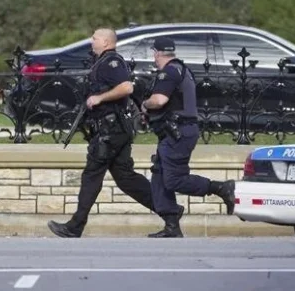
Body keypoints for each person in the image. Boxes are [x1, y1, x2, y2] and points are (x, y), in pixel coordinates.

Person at [47, 28, 175, 238]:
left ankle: (75, 226)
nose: (91, 41)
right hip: (114, 130)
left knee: (92, 175)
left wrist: (99, 98)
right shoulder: (102, 62)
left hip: (111, 132)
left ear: (106, 42)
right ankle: (171, 213)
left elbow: (126, 87)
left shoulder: (111, 62)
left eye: (95, 38)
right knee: (126, 179)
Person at [141, 36, 235, 238]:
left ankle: (219, 188)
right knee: (159, 176)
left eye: (154, 54)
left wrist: (145, 105)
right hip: (176, 131)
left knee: (173, 179)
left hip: (178, 133)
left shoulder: (169, 72)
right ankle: (171, 226)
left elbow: (159, 100)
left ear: (157, 53)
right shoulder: (182, 70)